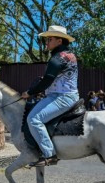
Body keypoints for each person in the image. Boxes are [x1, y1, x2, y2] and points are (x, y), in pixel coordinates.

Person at [21, 25, 79, 167]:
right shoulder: (69, 55)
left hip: (61, 98)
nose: (46, 42)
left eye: (49, 39)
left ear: (59, 41)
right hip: (68, 95)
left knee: (34, 119)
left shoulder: (57, 58)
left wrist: (29, 92)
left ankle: (49, 154)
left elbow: (47, 80)